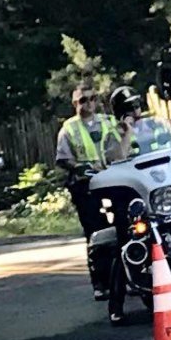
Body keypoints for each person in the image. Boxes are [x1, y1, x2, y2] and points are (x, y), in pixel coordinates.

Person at [54, 83, 119, 298]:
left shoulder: (108, 122)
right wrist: (79, 167)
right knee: (97, 233)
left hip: (114, 179)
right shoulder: (69, 128)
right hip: (86, 185)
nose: (89, 104)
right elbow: (63, 158)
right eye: (83, 100)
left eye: (92, 99)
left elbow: (125, 144)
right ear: (75, 104)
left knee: (123, 225)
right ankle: (101, 283)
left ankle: (126, 277)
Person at [106, 86, 171, 160]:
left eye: (136, 106)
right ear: (120, 113)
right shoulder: (115, 135)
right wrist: (127, 133)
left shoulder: (156, 124)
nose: (135, 112)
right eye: (129, 108)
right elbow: (117, 158)